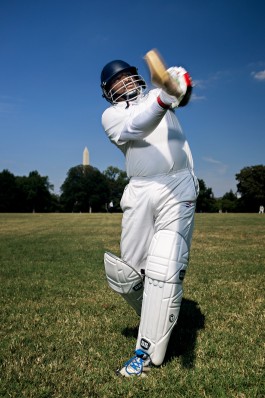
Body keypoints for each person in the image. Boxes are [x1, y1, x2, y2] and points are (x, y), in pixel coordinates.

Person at [100, 57, 199, 377]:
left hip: (177, 185)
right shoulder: (111, 116)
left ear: (138, 77)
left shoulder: (158, 95)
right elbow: (137, 126)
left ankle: (145, 353)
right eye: (117, 81)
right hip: (140, 191)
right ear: (108, 92)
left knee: (164, 267)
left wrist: (179, 84)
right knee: (127, 276)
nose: (125, 82)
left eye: (128, 76)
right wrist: (164, 96)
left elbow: (180, 93)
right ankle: (160, 314)